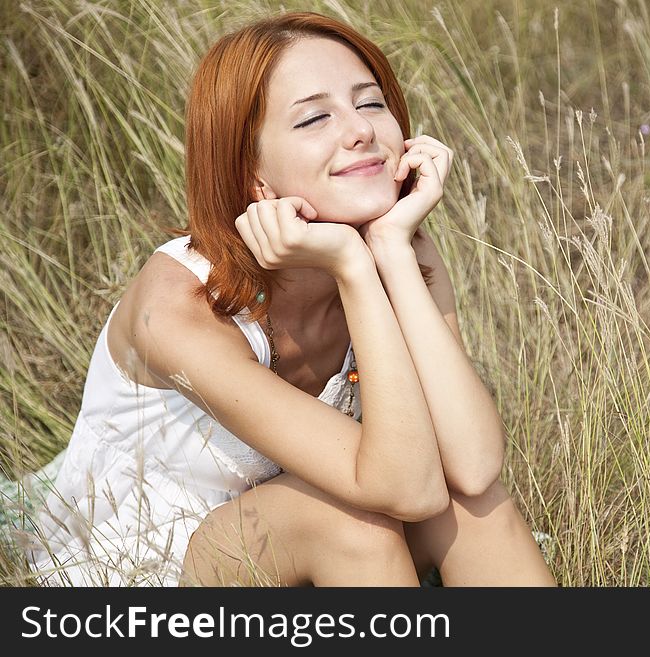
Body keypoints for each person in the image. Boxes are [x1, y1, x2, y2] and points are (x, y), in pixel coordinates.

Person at [25, 11, 556, 587]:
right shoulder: (178, 306)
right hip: (158, 557)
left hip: (328, 520)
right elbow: (408, 487)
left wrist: (390, 253)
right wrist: (352, 268)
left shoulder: (402, 251)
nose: (359, 131)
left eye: (371, 103)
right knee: (354, 527)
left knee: (475, 512)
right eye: (314, 118)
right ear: (255, 177)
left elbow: (474, 469)